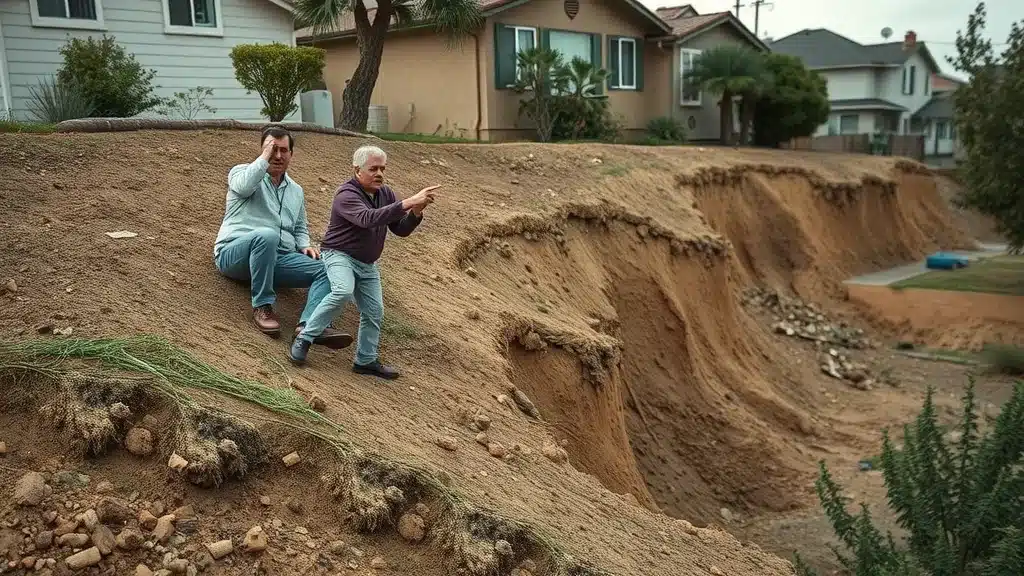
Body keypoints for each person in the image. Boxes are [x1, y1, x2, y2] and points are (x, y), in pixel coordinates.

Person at [288, 144, 439, 379]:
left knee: (374, 311)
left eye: (382, 169)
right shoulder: (346, 194)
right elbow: (367, 219)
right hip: (339, 255)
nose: (379, 174)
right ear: (357, 170)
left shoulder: (385, 194)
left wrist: (416, 211)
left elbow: (400, 230)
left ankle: (365, 360)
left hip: (368, 264)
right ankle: (304, 337)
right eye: (373, 169)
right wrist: (409, 201)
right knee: (342, 291)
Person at [213, 126, 353, 350]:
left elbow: (299, 226)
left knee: (329, 268)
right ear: (262, 150)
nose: (278, 156)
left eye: (283, 150)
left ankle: (310, 325)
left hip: (276, 259)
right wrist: (263, 158)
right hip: (235, 255)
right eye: (272, 149)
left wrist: (304, 245)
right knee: (267, 235)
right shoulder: (241, 173)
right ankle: (263, 306)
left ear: (291, 154)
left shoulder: (296, 190)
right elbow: (244, 187)